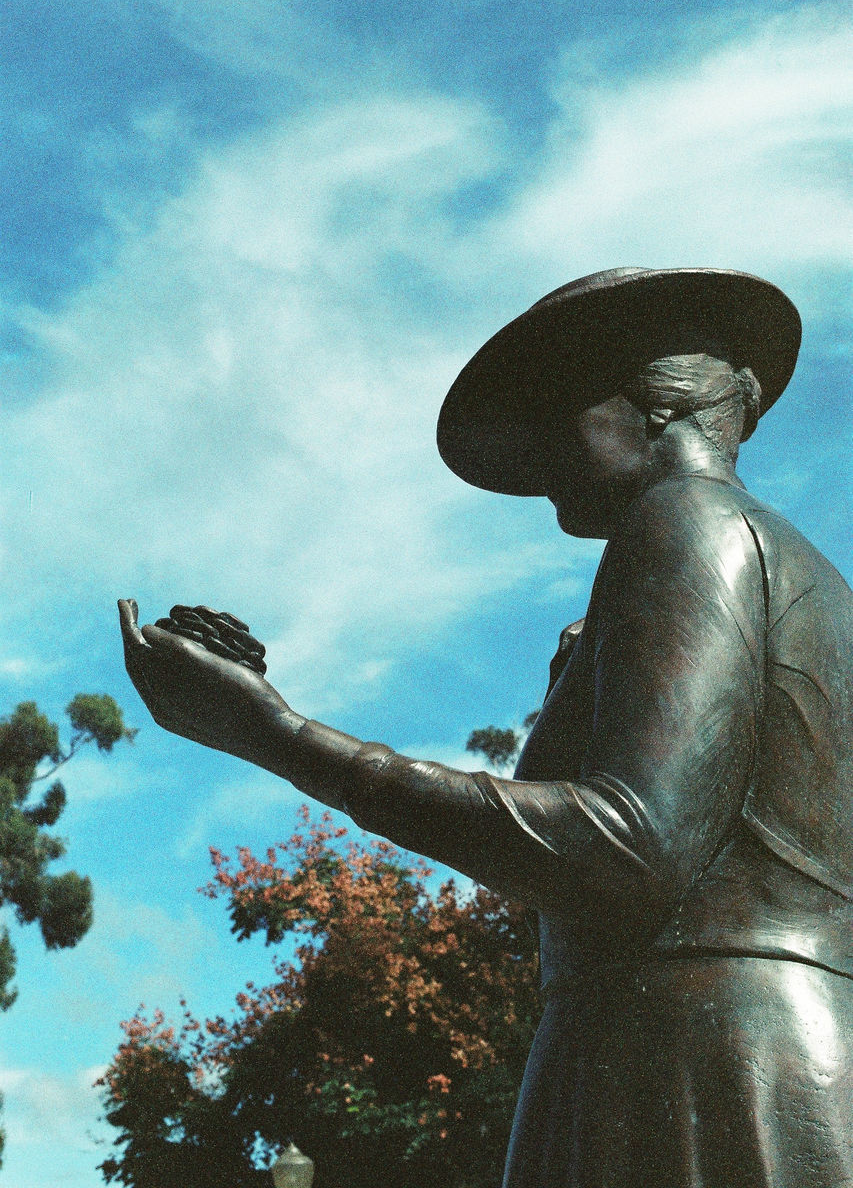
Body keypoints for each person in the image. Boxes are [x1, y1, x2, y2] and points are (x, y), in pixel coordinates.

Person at [119, 267, 853, 1187]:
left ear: (650, 403)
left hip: (694, 1066)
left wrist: (273, 734)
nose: (537, 462)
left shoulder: (687, 524)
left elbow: (629, 846)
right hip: (697, 1046)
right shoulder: (781, 558)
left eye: (550, 419)